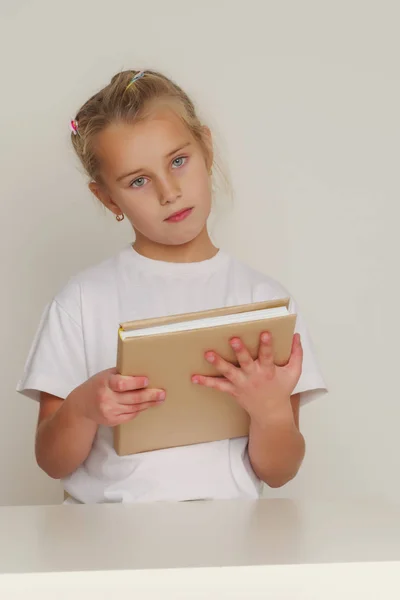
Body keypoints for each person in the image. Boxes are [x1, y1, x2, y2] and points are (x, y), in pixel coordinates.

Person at [17, 69, 326, 504]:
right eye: (138, 181)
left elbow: (279, 473)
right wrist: (85, 407)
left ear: (207, 148)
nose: (169, 192)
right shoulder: (82, 302)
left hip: (228, 541)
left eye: (178, 161)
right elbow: (52, 461)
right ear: (108, 199)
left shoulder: (264, 303)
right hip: (104, 543)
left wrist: (269, 410)